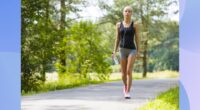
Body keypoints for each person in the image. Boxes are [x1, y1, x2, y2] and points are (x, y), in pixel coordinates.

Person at [112, 6, 140, 99]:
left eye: (129, 11)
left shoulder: (135, 24)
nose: (127, 12)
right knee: (123, 73)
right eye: (126, 11)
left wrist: (138, 51)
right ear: (123, 13)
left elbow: (137, 38)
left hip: (132, 50)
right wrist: (114, 51)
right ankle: (125, 86)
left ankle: (127, 91)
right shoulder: (118, 25)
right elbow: (117, 38)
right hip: (122, 50)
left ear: (131, 13)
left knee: (128, 71)